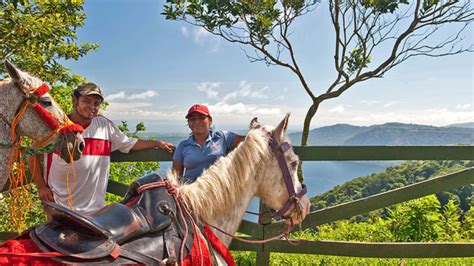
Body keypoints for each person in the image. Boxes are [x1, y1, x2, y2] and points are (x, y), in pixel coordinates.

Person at [28, 82, 174, 214]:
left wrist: (156, 143)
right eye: (87, 101)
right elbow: (32, 153)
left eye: (96, 103)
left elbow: (129, 143)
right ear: (74, 100)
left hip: (96, 210)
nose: (92, 107)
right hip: (59, 206)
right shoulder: (55, 127)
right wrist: (41, 186)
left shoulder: (104, 126)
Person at [172, 104, 245, 183]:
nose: (197, 122)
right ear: (189, 124)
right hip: (190, 192)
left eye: (201, 118)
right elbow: (176, 176)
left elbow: (248, 141)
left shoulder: (221, 137)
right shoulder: (183, 146)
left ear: (210, 120)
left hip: (216, 190)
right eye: (192, 119)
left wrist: (257, 131)